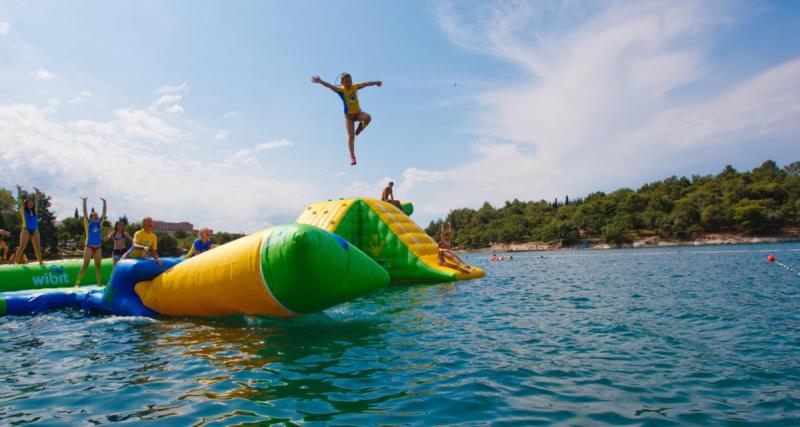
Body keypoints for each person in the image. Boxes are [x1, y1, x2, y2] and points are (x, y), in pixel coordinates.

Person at [311, 73, 382, 165]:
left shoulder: (355, 87)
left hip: (358, 113)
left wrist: (376, 82)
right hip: (349, 118)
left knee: (368, 117)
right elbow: (330, 86)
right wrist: (320, 81)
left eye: (350, 81)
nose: (349, 83)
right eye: (347, 82)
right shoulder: (341, 90)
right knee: (351, 136)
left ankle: (360, 127)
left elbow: (366, 83)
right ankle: (352, 156)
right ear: (342, 83)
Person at [74, 197, 107, 287]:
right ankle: (77, 283)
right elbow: (85, 213)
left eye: (97, 215)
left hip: (98, 247)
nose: (96, 216)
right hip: (89, 246)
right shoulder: (88, 223)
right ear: (91, 217)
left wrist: (104, 202)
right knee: (85, 265)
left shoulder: (99, 223)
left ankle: (99, 283)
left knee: (98, 265)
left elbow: (104, 214)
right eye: (94, 215)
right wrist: (84, 201)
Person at [14, 185, 43, 265]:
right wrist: (19, 190)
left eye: (32, 203)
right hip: (26, 229)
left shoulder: (34, 211)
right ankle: (16, 263)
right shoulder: (23, 210)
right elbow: (20, 200)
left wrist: (37, 192)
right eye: (29, 203)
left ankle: (41, 262)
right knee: (22, 247)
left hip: (35, 229)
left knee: (37, 247)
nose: (31, 204)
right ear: (26, 204)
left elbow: (36, 201)